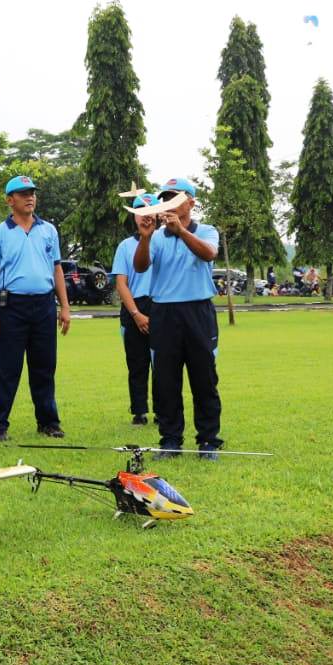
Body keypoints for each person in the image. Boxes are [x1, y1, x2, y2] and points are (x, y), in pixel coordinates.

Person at [133, 177, 223, 459]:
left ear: (191, 203)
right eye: (165, 198)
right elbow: (140, 265)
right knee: (165, 381)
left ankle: (208, 441)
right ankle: (170, 440)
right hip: (165, 313)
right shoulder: (157, 236)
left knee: (204, 378)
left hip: (198, 311)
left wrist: (181, 231)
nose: (169, 203)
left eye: (176, 197)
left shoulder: (206, 231)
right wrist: (146, 237)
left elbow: (209, 254)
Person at [0, 175, 72, 442]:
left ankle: (48, 422)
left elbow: (57, 269)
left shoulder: (49, 230)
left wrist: (65, 306)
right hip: (11, 306)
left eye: (32, 192)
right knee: (6, 367)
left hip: (44, 304)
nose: (29, 197)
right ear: (10, 200)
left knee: (44, 366)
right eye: (23, 194)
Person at [112, 193, 157, 426]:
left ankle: (163, 410)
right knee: (137, 363)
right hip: (134, 308)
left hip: (161, 305)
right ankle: (139, 412)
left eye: (150, 211)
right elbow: (121, 283)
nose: (145, 216)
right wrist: (137, 314)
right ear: (134, 217)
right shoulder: (125, 246)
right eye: (140, 212)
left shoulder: (165, 241)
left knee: (163, 363)